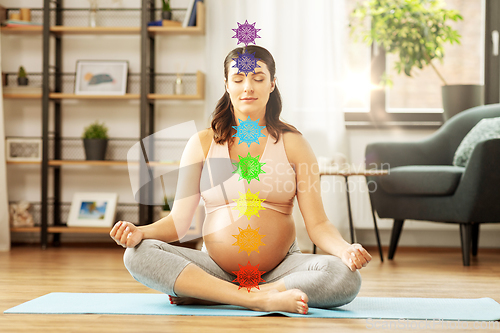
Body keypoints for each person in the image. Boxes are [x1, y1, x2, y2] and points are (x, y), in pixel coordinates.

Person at [110, 45, 372, 315]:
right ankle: (255, 299)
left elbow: (318, 224)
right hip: (214, 268)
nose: (248, 87)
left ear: (272, 84)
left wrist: (345, 250)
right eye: (238, 79)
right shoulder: (201, 143)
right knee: (137, 253)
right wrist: (142, 232)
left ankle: (211, 294)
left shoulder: (294, 144)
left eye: (258, 78)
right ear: (226, 85)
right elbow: (178, 223)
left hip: (280, 272)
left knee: (345, 276)